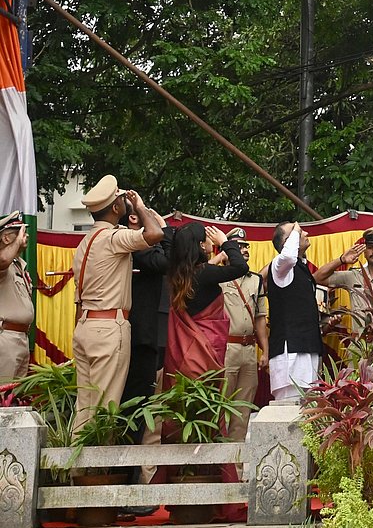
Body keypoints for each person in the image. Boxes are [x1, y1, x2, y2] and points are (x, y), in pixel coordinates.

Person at [72, 177, 164, 432]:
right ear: (115, 208)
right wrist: (142, 207)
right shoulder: (113, 237)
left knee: (85, 408)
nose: (127, 203)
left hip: (85, 325)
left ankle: (74, 471)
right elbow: (155, 234)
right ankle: (97, 472)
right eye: (122, 199)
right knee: (105, 409)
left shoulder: (84, 243)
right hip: (108, 328)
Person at [163, 220, 248, 386]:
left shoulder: (176, 273)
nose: (211, 241)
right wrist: (224, 242)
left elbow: (168, 245)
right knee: (206, 400)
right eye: (207, 238)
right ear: (201, 245)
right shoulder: (205, 273)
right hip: (206, 347)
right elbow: (240, 267)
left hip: (183, 350)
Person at [120, 206, 171, 420]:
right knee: (135, 405)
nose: (151, 214)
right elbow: (166, 261)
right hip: (138, 336)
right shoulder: (135, 242)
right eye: (144, 210)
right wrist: (164, 227)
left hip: (140, 333)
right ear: (133, 217)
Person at [267, 220, 322, 401]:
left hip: (307, 350)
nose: (303, 233)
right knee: (288, 414)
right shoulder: (279, 267)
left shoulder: (300, 267)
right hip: (290, 353)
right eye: (297, 232)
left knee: (309, 416)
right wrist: (295, 230)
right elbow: (288, 257)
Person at [221, 227, 267, 440]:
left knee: (243, 410)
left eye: (245, 246)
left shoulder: (256, 280)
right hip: (226, 348)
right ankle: (215, 467)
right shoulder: (218, 276)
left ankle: (235, 469)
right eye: (238, 246)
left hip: (249, 349)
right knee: (219, 406)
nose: (245, 249)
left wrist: (264, 351)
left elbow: (260, 318)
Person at [0, 210, 33, 387]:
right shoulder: (4, 262)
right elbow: (3, 259)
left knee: (13, 400)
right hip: (5, 338)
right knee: (2, 396)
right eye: (21, 232)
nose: (25, 236)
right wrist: (17, 242)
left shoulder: (17, 265)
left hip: (20, 338)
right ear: (6, 238)